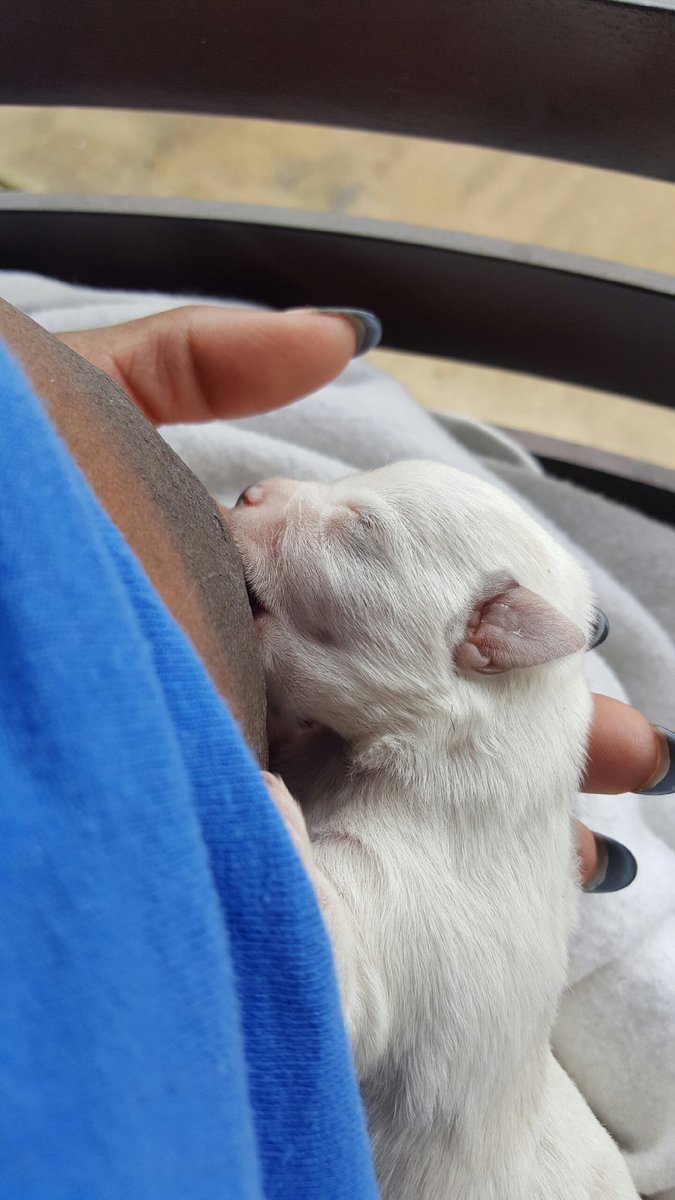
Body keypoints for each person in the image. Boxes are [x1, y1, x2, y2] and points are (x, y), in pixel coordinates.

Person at [0, 295, 671, 1198]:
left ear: (488, 639)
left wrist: (267, 817)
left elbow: (331, 995)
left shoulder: (439, 855)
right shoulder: (396, 774)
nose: (267, 492)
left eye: (358, 534)